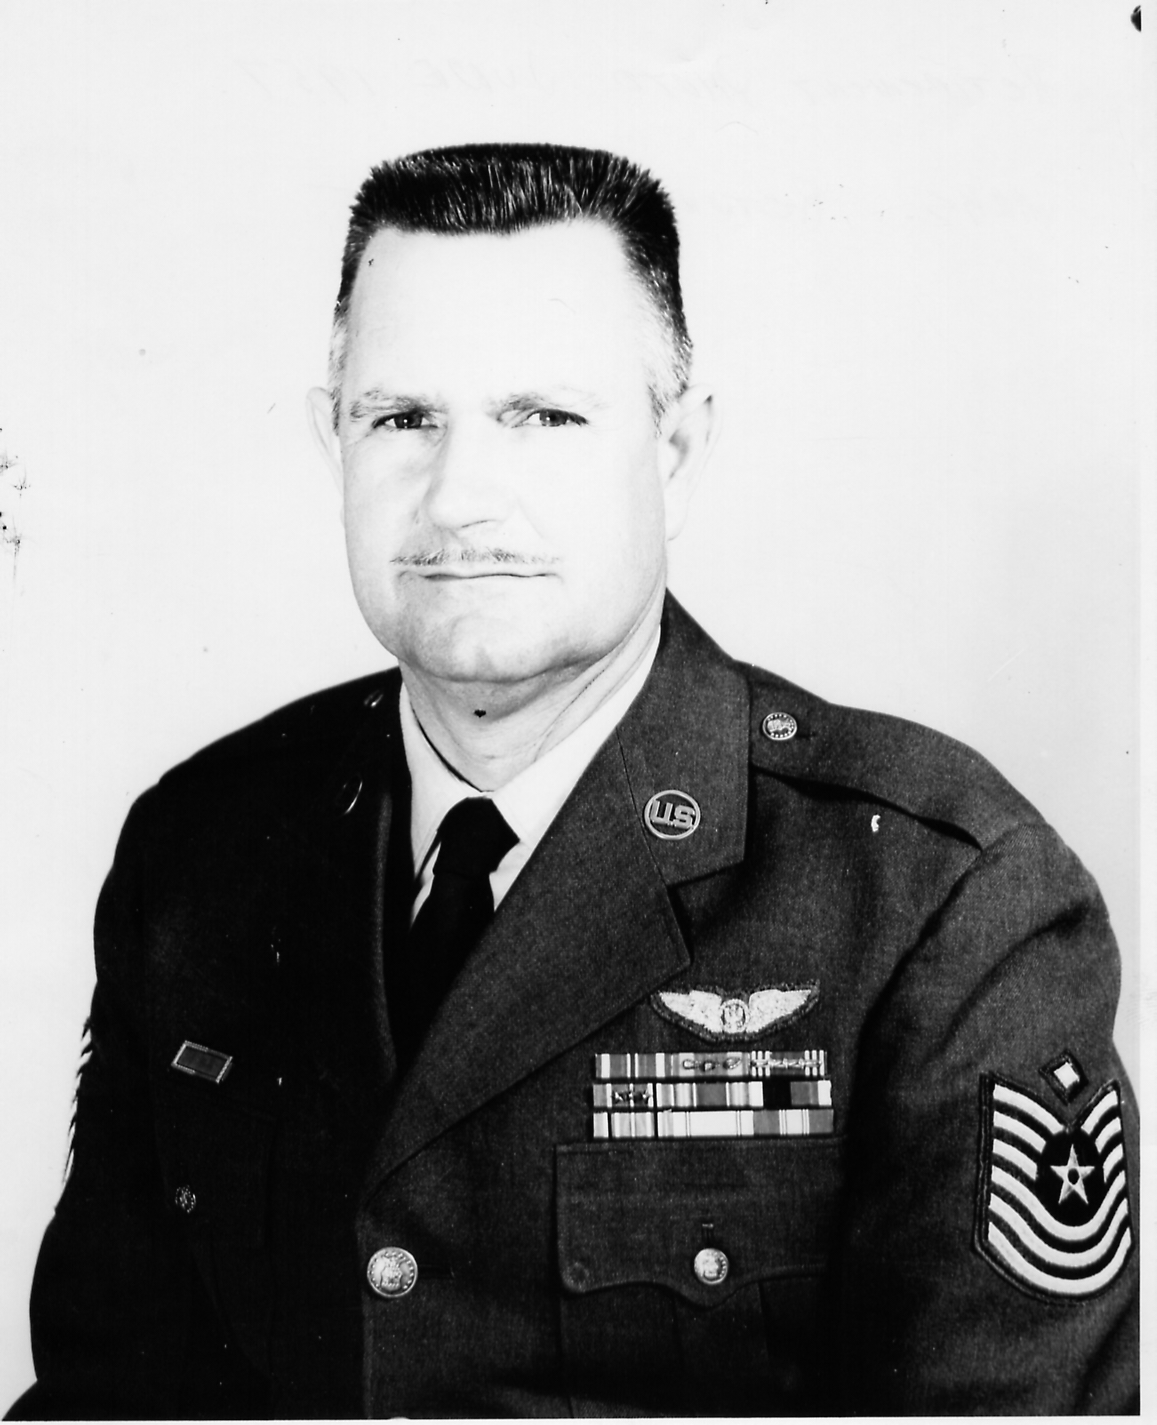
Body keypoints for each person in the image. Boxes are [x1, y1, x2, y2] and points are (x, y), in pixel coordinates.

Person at [9, 143, 1138, 1418]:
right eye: (401, 419)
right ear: (332, 439)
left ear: (676, 450)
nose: (458, 499)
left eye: (544, 418)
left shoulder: (938, 902)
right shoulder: (202, 848)